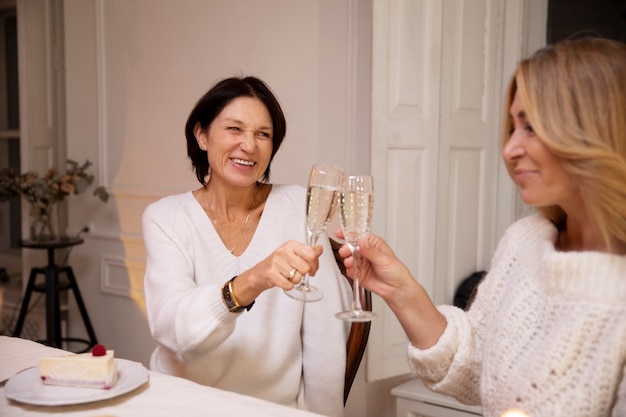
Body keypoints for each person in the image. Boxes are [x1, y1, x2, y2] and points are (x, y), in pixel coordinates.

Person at [336, 37, 626, 417]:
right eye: (512, 127)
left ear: (594, 130)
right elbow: (474, 365)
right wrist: (400, 289)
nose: (509, 148)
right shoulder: (526, 241)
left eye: (532, 128)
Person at [142, 76, 351, 417]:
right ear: (202, 135)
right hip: (180, 407)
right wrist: (253, 280)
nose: (249, 146)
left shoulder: (299, 206)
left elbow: (325, 340)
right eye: (235, 129)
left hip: (270, 410)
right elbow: (177, 336)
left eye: (262, 134)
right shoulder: (166, 218)